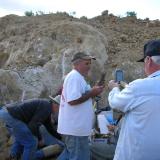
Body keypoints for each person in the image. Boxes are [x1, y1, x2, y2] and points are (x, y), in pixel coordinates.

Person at [108, 39, 160, 160]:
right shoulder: (138, 89)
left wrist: (114, 88)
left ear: (148, 60)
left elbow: (115, 103)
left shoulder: (139, 87)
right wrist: (128, 87)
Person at [57, 51, 104, 160]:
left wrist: (95, 90)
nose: (89, 66)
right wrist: (92, 93)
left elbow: (84, 95)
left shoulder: (78, 78)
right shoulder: (74, 77)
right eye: (86, 64)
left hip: (77, 129)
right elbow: (72, 100)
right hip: (75, 130)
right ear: (77, 64)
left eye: (90, 63)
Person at [0, 96, 62, 160]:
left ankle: (12, 156)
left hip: (6, 113)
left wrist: (60, 138)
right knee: (32, 142)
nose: (59, 111)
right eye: (60, 108)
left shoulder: (46, 105)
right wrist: (39, 139)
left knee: (22, 138)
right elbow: (33, 125)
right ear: (56, 105)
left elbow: (49, 127)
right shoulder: (47, 108)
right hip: (12, 117)